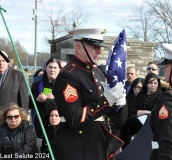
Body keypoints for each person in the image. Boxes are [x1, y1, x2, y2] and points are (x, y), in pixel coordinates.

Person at [51, 28, 125, 160]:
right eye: (95, 47)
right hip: (76, 146)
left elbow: (101, 112)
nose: (99, 51)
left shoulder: (96, 72)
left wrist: (115, 104)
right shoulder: (68, 75)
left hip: (97, 142)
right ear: (79, 47)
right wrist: (106, 101)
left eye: (100, 47)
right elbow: (74, 117)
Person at [29, 57, 61, 138]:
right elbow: (29, 103)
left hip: (57, 124)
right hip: (40, 123)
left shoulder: (64, 86)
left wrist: (47, 100)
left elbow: (64, 105)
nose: (52, 70)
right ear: (46, 69)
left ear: (59, 70)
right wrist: (39, 99)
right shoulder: (37, 84)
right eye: (50, 67)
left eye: (55, 68)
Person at [0, 51, 29, 126]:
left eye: (3, 60)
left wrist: (23, 120)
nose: (1, 63)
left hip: (10, 119)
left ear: (8, 62)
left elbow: (24, 100)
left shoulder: (18, 76)